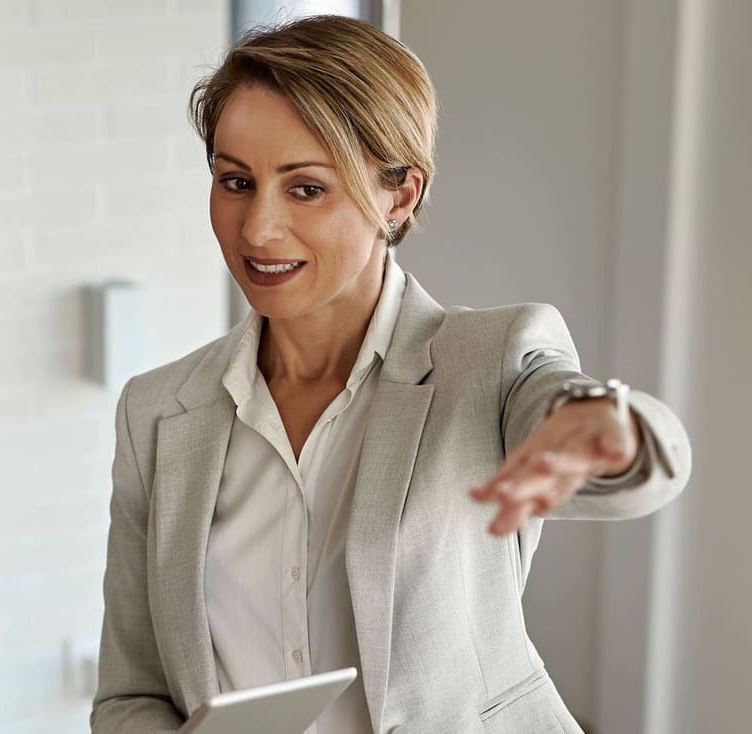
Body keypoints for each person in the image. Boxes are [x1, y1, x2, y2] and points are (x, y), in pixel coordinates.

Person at [92, 16, 694, 733]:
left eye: (306, 188)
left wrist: (607, 423)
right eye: (236, 181)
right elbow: (131, 697)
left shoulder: (489, 361)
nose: (257, 228)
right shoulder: (157, 412)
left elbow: (627, 446)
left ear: (399, 195)